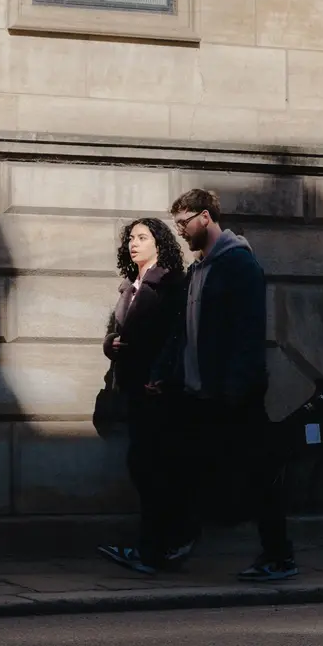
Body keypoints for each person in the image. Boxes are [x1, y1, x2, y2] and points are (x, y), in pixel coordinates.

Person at [161, 188, 297, 582]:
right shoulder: (199, 271)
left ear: (205, 217)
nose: (181, 232)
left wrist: (237, 389)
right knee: (185, 466)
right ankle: (181, 537)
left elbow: (248, 332)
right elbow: (187, 335)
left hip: (234, 395)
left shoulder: (238, 264)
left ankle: (279, 556)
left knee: (258, 475)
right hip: (202, 394)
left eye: (184, 223)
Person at [97, 217, 187, 575]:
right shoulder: (128, 288)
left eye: (142, 237)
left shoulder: (169, 283)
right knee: (144, 468)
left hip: (157, 392)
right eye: (131, 238)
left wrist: (163, 374)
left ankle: (158, 548)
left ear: (159, 243)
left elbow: (177, 336)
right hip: (134, 390)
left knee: (152, 469)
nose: (134, 243)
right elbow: (114, 333)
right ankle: (156, 546)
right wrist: (110, 344)